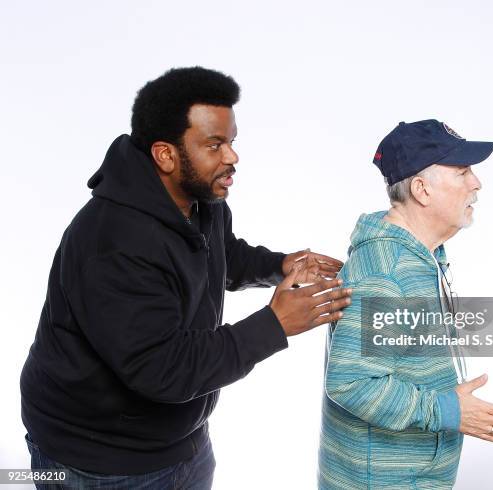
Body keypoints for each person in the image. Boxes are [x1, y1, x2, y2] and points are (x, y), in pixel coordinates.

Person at [20, 66, 352, 489]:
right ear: (165, 154)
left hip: (181, 438)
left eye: (232, 142)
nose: (232, 157)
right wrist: (275, 324)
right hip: (97, 461)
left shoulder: (201, 199)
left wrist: (279, 264)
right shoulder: (113, 243)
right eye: (215, 145)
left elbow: (219, 253)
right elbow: (163, 368)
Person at [318, 120, 493, 489]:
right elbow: (351, 383)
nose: (476, 183)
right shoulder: (388, 270)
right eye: (462, 172)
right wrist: (447, 410)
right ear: (421, 189)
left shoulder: (420, 257)